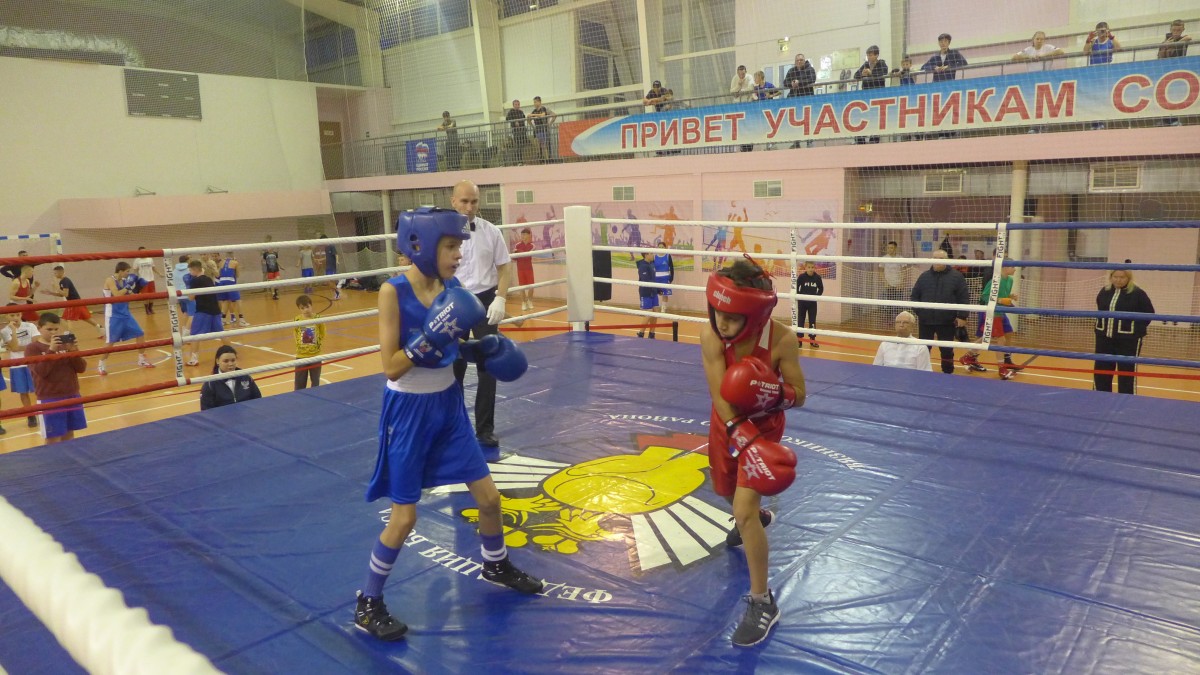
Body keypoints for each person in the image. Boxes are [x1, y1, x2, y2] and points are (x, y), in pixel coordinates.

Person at [354, 206, 541, 642]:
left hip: (449, 407)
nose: (459, 254)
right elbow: (391, 366)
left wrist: (480, 350)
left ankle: (495, 564)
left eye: (459, 246)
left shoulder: (452, 288)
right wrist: (427, 340)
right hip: (408, 411)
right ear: (420, 246)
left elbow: (452, 348)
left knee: (490, 498)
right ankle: (368, 600)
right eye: (452, 246)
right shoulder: (391, 292)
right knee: (404, 518)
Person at [700, 258, 804, 647]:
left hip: (763, 428)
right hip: (727, 423)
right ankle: (756, 515)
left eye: (732, 317)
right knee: (725, 491)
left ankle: (762, 602)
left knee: (741, 513)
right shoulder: (710, 334)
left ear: (756, 315)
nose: (722, 322)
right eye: (717, 312)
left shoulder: (781, 340)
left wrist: (772, 392)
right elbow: (719, 393)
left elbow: (800, 394)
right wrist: (737, 432)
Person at [450, 180, 513, 455]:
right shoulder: (443, 235)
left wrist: (501, 297)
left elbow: (505, 267)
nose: (469, 207)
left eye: (474, 201)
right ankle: (453, 427)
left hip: (486, 299)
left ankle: (485, 429)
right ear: (453, 201)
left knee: (489, 366)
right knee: (454, 365)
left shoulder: (491, 231)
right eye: (464, 201)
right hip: (454, 300)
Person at [25, 313, 87, 443]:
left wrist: (74, 351)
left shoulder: (64, 344)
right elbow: (41, 372)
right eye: (49, 329)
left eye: (56, 329)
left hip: (72, 394)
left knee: (69, 435)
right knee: (53, 439)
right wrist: (51, 350)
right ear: (39, 328)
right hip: (50, 398)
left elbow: (81, 368)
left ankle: (68, 457)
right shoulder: (33, 348)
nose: (53, 332)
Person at [1094, 269, 1154, 395]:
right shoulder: (1104, 291)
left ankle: (1126, 399)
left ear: (1128, 278)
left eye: (1122, 277)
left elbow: (1149, 313)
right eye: (1115, 277)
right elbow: (1099, 307)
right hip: (1104, 338)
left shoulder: (1138, 293)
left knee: (1126, 371)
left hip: (1128, 341)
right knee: (1102, 369)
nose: (1118, 280)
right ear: (1111, 277)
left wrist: (1133, 329)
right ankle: (1099, 397)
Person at [909, 250, 969, 375]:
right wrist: (921, 312)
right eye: (935, 258)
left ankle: (948, 374)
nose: (937, 261)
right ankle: (921, 373)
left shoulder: (957, 277)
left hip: (947, 321)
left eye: (940, 258)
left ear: (946, 260)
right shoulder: (924, 276)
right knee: (923, 349)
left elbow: (963, 297)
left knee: (947, 350)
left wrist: (962, 316)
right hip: (926, 321)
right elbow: (914, 296)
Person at [960, 265, 1022, 379]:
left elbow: (1002, 295)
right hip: (993, 313)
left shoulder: (1010, 280)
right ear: (1005, 267)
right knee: (999, 339)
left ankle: (968, 356)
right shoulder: (995, 280)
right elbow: (985, 296)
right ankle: (1002, 368)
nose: (1015, 269)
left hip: (1000, 312)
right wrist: (1000, 300)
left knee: (1001, 334)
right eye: (1012, 267)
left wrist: (1010, 296)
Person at [98, 262, 154, 375]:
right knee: (110, 342)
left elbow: (131, 296)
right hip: (113, 315)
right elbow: (117, 295)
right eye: (127, 271)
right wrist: (128, 286)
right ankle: (101, 364)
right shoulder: (110, 280)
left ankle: (141, 359)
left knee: (140, 333)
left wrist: (138, 289)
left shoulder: (124, 281)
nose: (128, 274)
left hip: (126, 314)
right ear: (120, 271)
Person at [40, 265, 104, 338]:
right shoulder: (63, 281)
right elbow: (62, 294)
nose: (55, 275)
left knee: (64, 319)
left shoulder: (65, 281)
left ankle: (69, 335)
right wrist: (51, 293)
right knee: (86, 319)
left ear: (61, 272)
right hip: (78, 302)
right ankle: (102, 330)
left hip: (74, 303)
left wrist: (56, 286)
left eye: (56, 273)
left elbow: (65, 294)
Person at [2, 308, 40, 428]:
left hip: (33, 362)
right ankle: (30, 415)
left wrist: (19, 347)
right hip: (17, 365)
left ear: (21, 314)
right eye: (12, 315)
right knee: (23, 392)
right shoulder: (5, 331)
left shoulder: (30, 326)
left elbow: (36, 344)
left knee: (40, 389)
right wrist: (13, 331)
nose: (15, 318)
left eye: (17, 314)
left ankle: (46, 412)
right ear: (6, 316)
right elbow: (14, 348)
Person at [184, 258, 223, 367]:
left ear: (194, 270)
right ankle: (232, 352)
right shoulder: (209, 279)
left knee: (195, 335)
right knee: (222, 333)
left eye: (190, 270)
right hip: (215, 310)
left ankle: (194, 359)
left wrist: (188, 289)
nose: (190, 273)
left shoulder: (194, 281)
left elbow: (191, 298)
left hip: (203, 311)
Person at [199, 345, 262, 410]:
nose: (230, 364)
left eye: (233, 360)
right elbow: (206, 410)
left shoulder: (245, 377)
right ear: (217, 361)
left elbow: (258, 399)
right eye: (226, 361)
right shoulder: (210, 384)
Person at [854, 46, 888, 143]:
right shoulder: (865, 65)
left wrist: (871, 73)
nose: (869, 57)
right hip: (866, 94)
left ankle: (874, 139)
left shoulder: (882, 64)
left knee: (875, 118)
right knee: (864, 116)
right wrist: (862, 74)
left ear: (876, 55)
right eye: (868, 55)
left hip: (877, 95)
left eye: (871, 55)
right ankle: (861, 139)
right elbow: (856, 75)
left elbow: (883, 73)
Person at [294, 295, 325, 390]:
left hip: (315, 355)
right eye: (302, 308)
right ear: (299, 309)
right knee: (299, 383)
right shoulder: (297, 319)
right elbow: (295, 333)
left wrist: (317, 345)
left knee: (315, 382)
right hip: (301, 355)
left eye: (307, 307)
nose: (306, 310)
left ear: (311, 305)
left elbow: (322, 332)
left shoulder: (318, 318)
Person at [795, 261, 824, 348]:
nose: (811, 269)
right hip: (802, 303)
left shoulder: (817, 277)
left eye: (812, 267)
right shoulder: (801, 277)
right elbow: (796, 287)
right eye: (809, 267)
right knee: (801, 321)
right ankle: (799, 340)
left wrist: (816, 296)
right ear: (805, 268)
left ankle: (812, 339)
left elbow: (821, 288)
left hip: (812, 303)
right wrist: (799, 296)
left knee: (812, 321)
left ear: (814, 268)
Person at [218, 252, 248, 327]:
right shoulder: (235, 262)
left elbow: (219, 274)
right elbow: (237, 275)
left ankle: (222, 320)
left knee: (226, 300)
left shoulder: (221, 262)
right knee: (238, 300)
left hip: (221, 282)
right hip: (230, 282)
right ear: (233, 256)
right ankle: (241, 320)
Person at [635, 251, 659, 339]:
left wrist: (658, 289)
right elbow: (645, 280)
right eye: (651, 253)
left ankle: (652, 333)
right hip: (645, 292)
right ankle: (641, 333)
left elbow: (654, 278)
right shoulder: (642, 266)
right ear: (646, 255)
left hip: (654, 291)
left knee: (655, 312)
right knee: (648, 313)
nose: (653, 255)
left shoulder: (652, 264)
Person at [132, 247, 162, 315]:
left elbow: (153, 268)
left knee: (152, 295)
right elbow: (135, 270)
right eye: (142, 251)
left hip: (151, 280)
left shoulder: (150, 259)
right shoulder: (137, 260)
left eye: (145, 251)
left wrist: (159, 273)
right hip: (143, 281)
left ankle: (150, 308)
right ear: (139, 252)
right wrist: (135, 279)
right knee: (145, 296)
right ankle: (146, 310)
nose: (144, 252)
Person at [513, 227, 536, 311]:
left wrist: (519, 252)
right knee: (521, 286)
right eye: (522, 234)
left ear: (529, 235)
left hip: (529, 269)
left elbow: (527, 255)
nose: (523, 236)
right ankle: (523, 302)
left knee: (531, 286)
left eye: (525, 234)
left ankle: (530, 301)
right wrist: (515, 253)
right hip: (520, 269)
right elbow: (515, 258)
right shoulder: (517, 245)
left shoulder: (532, 246)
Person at [528, 96, 556, 163]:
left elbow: (544, 115)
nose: (534, 104)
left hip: (544, 130)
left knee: (544, 146)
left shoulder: (543, 108)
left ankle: (547, 159)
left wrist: (549, 124)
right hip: (537, 130)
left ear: (539, 102)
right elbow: (528, 119)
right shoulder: (534, 111)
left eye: (535, 102)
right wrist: (533, 126)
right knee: (538, 144)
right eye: (534, 102)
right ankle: (541, 157)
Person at [653, 242, 674, 315]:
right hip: (656, 277)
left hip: (665, 277)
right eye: (660, 247)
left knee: (665, 294)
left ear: (665, 248)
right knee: (656, 293)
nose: (661, 248)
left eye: (662, 247)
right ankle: (655, 308)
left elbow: (671, 267)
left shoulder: (668, 256)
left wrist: (671, 278)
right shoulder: (654, 256)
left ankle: (663, 308)